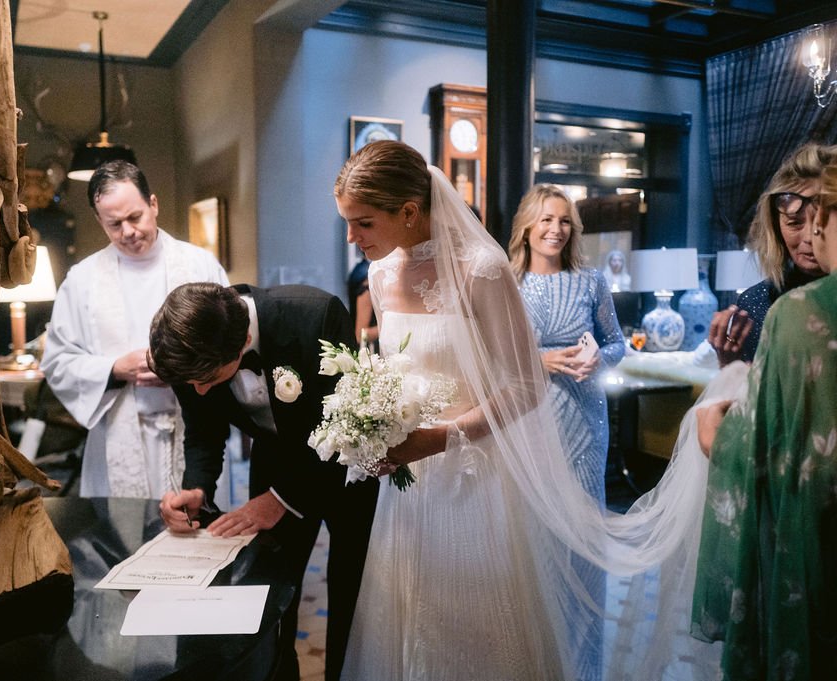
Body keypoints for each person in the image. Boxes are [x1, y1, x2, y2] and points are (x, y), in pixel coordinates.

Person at [334, 140, 722, 680]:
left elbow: (523, 387)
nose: (353, 239)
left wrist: (438, 437)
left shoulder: (483, 269)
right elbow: (397, 372)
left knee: (477, 626)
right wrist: (372, 428)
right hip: (409, 478)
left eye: (364, 224)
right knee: (409, 613)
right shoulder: (380, 276)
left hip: (474, 475)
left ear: (408, 210)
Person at [148, 282, 378, 681]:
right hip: (274, 463)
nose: (199, 390)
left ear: (244, 342)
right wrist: (198, 488)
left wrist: (281, 499)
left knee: (350, 592)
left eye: (207, 378)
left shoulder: (315, 315)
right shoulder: (189, 350)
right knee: (271, 598)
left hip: (348, 473)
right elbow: (203, 429)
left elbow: (350, 427)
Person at [691, 162, 837, 681]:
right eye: (790, 220)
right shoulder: (757, 301)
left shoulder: (804, 309)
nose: (806, 233)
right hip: (769, 499)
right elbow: (757, 399)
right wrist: (728, 368)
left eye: (817, 216)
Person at [40, 161, 228, 499]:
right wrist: (114, 369)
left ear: (153, 205)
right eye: (114, 224)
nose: (127, 231)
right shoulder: (82, 281)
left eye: (135, 217)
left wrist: (181, 371)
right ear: (99, 221)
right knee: (123, 544)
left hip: (192, 431)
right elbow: (57, 361)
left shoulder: (200, 266)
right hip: (118, 436)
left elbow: (229, 345)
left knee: (194, 535)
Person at [509, 184, 626, 681]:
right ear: (527, 228)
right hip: (530, 419)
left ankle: (582, 668)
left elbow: (618, 343)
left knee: (582, 544)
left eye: (563, 221)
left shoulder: (590, 281)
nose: (555, 229)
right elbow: (490, 358)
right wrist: (540, 359)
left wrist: (601, 356)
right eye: (546, 220)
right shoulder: (506, 284)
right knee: (534, 539)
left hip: (585, 419)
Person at [708, 143, 836, 366]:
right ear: (776, 227)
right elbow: (753, 397)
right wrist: (730, 363)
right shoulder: (758, 303)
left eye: (820, 222)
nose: (809, 237)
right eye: (794, 223)